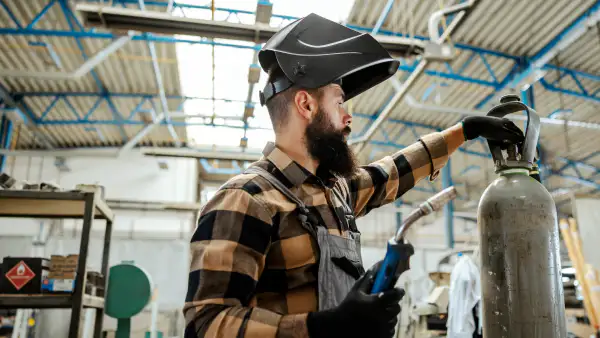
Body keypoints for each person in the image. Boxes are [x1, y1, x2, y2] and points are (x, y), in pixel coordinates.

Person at [183, 13, 524, 338]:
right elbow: (207, 323)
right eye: (340, 102)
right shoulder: (246, 199)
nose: (348, 118)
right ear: (306, 105)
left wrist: (465, 130)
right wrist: (323, 328)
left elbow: (391, 172)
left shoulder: (334, 191)